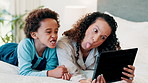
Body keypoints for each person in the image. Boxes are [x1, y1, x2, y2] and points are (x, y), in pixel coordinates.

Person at [56, 12, 135, 83]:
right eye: (95, 30)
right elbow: (70, 70)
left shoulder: (106, 50)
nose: (96, 39)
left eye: (103, 37)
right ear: (87, 26)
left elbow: (112, 73)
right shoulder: (64, 43)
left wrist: (126, 77)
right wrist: (83, 81)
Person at [0, 8, 71, 80]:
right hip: (6, 51)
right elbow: (24, 72)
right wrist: (50, 73)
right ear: (34, 35)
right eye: (48, 32)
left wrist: (58, 73)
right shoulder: (26, 45)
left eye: (56, 31)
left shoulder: (52, 48)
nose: (54, 35)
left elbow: (50, 70)